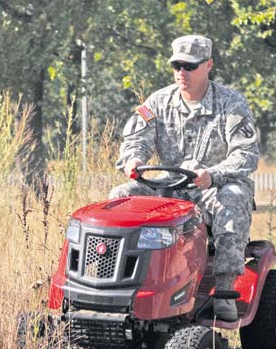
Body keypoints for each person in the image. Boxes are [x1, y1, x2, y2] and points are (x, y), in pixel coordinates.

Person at [110, 34, 259, 322]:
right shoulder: (159, 101)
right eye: (177, 65)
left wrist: (213, 174)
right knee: (120, 197)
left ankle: (225, 290)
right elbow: (135, 140)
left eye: (189, 66)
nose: (182, 72)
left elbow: (246, 154)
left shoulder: (232, 104)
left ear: (208, 65)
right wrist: (135, 160)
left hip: (210, 187)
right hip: (167, 186)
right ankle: (122, 280)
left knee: (235, 196)